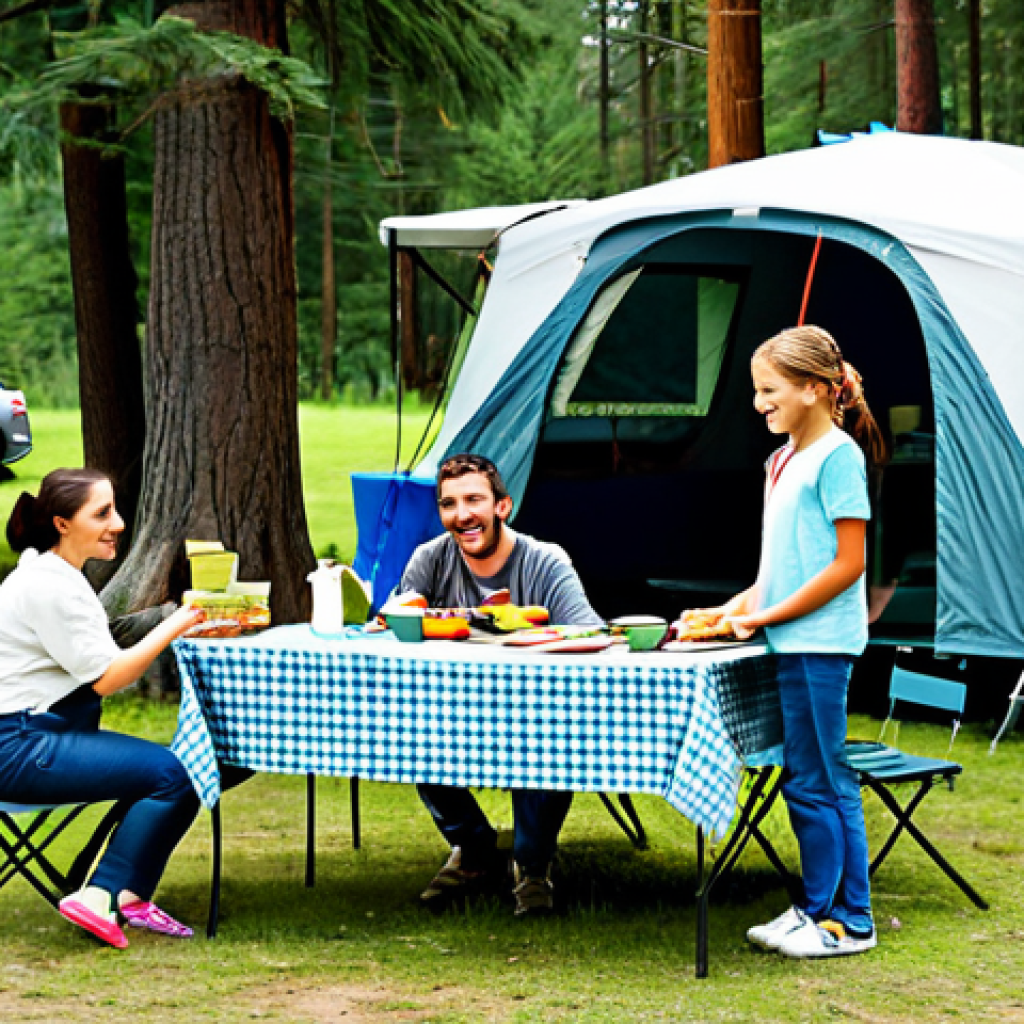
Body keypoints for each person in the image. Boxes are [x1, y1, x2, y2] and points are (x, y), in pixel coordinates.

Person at [679, 326, 887, 959]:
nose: (758, 402)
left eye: (769, 390)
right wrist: (730, 608)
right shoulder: (781, 460)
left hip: (822, 643)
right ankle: (814, 907)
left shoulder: (839, 455)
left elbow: (847, 564)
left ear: (815, 389)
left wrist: (763, 617)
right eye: (757, 390)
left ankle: (849, 922)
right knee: (804, 778)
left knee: (823, 780)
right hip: (789, 640)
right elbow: (781, 569)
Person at [0, 468, 207, 949]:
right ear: (62, 524)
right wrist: (174, 623)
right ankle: (102, 894)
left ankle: (128, 897)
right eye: (101, 513)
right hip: (20, 747)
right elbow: (109, 676)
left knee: (169, 772)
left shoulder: (49, 573)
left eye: (114, 509)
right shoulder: (50, 586)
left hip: (38, 735)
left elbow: (94, 649)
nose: (118, 523)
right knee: (171, 775)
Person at [398, 453, 603, 916]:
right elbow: (401, 629)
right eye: (449, 504)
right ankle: (472, 850)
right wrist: (396, 622)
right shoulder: (429, 559)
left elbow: (590, 635)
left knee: (548, 740)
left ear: (502, 507)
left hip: (537, 712)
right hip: (451, 710)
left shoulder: (545, 561)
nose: (463, 514)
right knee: (404, 731)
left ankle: (532, 866)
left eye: (474, 500)